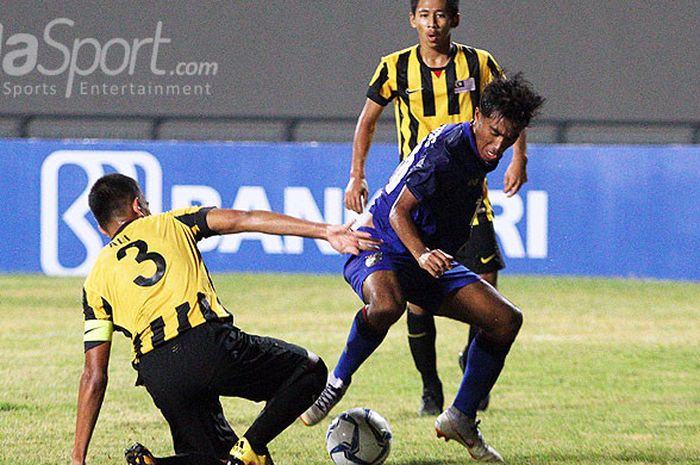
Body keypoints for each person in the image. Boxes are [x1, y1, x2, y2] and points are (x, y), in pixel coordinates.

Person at [302, 74, 544, 462]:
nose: (499, 146)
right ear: (478, 115)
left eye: (510, 138)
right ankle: (336, 381)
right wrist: (422, 254)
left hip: (424, 256)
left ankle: (461, 417)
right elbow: (399, 210)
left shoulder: (483, 151)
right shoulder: (448, 150)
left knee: (504, 319)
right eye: (495, 132)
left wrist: (434, 251)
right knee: (386, 305)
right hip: (379, 241)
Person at [70, 173, 381, 465]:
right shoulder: (172, 222)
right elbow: (245, 220)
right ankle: (251, 446)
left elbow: (93, 376)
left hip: (158, 374)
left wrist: (77, 458)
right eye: (146, 203)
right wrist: (325, 231)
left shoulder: (94, 283)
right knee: (309, 371)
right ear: (138, 206)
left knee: (215, 459)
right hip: (206, 345)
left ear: (102, 228)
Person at [344, 0, 530, 416]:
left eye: (441, 15)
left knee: (486, 279)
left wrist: (519, 157)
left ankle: (472, 368)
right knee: (416, 296)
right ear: (412, 19)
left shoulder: (480, 63)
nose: (433, 23)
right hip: (419, 197)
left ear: (454, 19)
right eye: (424, 15)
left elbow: (511, 110)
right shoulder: (393, 67)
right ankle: (430, 387)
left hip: (469, 194)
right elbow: (368, 121)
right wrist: (356, 175)